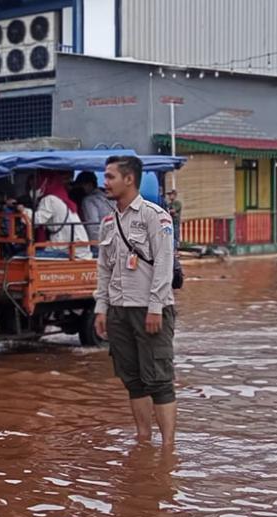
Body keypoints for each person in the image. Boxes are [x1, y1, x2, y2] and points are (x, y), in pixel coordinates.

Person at [92, 155, 177, 447]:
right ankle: (143, 439)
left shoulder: (156, 216)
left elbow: (164, 264)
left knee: (159, 378)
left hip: (149, 308)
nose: (105, 183)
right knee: (132, 379)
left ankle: (167, 448)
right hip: (118, 310)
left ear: (129, 179)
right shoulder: (107, 222)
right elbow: (104, 268)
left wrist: (155, 307)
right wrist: (101, 308)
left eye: (110, 177)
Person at [32, 172, 90, 260]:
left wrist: (23, 211)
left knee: (27, 255)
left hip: (70, 249)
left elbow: (37, 219)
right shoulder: (59, 197)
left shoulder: (50, 199)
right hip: (79, 247)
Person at [75, 171, 113, 254]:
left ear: (88, 184)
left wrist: (96, 245)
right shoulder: (109, 196)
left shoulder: (89, 200)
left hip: (100, 244)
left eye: (81, 185)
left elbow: (92, 226)